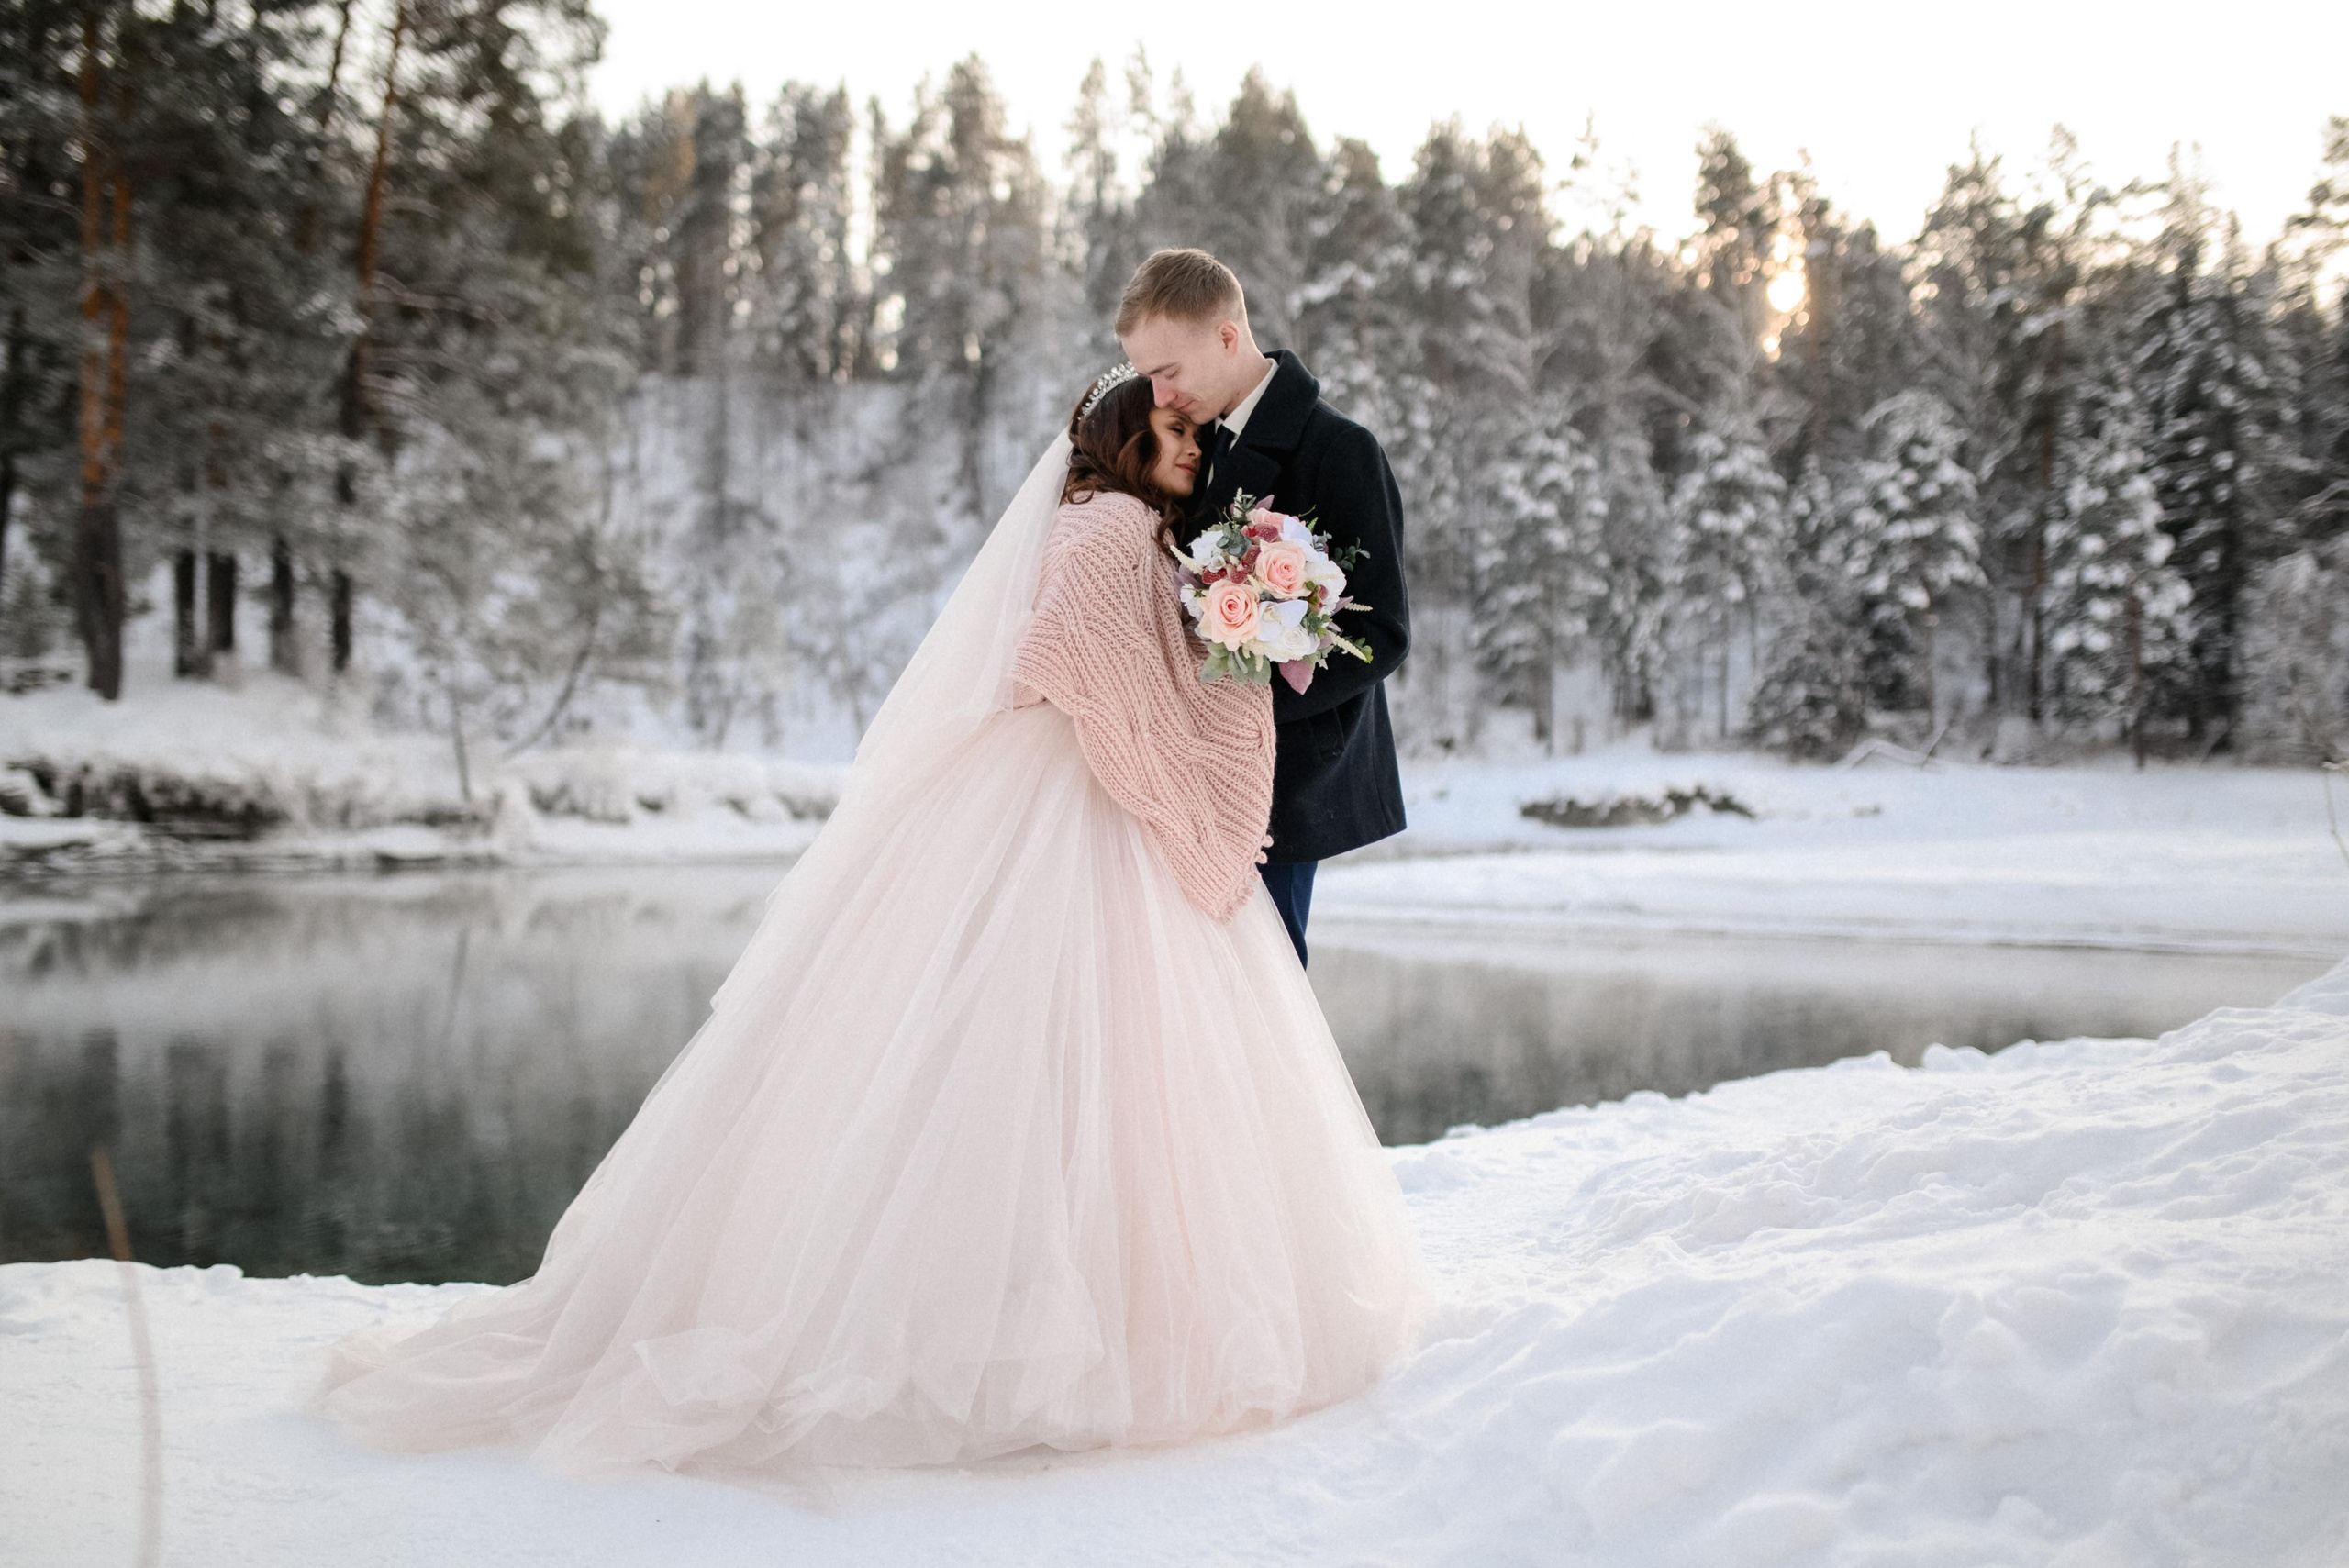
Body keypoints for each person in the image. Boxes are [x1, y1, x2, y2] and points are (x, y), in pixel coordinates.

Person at [317, 366, 1428, 1479]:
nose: (1194, 445)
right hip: (1060, 803)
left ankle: (1077, 1299)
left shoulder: (1123, 521)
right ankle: (1026, 1318)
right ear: (1123, 444)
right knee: (1038, 1050)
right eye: (1175, 431)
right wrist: (1198, 704)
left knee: (1098, 1061)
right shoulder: (1103, 530)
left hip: (1079, 795)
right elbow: (1071, 665)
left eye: (1191, 426)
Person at [1118, 248, 1412, 967]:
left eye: (1169, 372)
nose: (1159, 396)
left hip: (1284, 780)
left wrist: (1234, 715)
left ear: (1226, 335)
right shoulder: (1191, 444)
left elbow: (1383, 633)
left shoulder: (1341, 448)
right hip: (1189, 780)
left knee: (1261, 984)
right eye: (1148, 376)